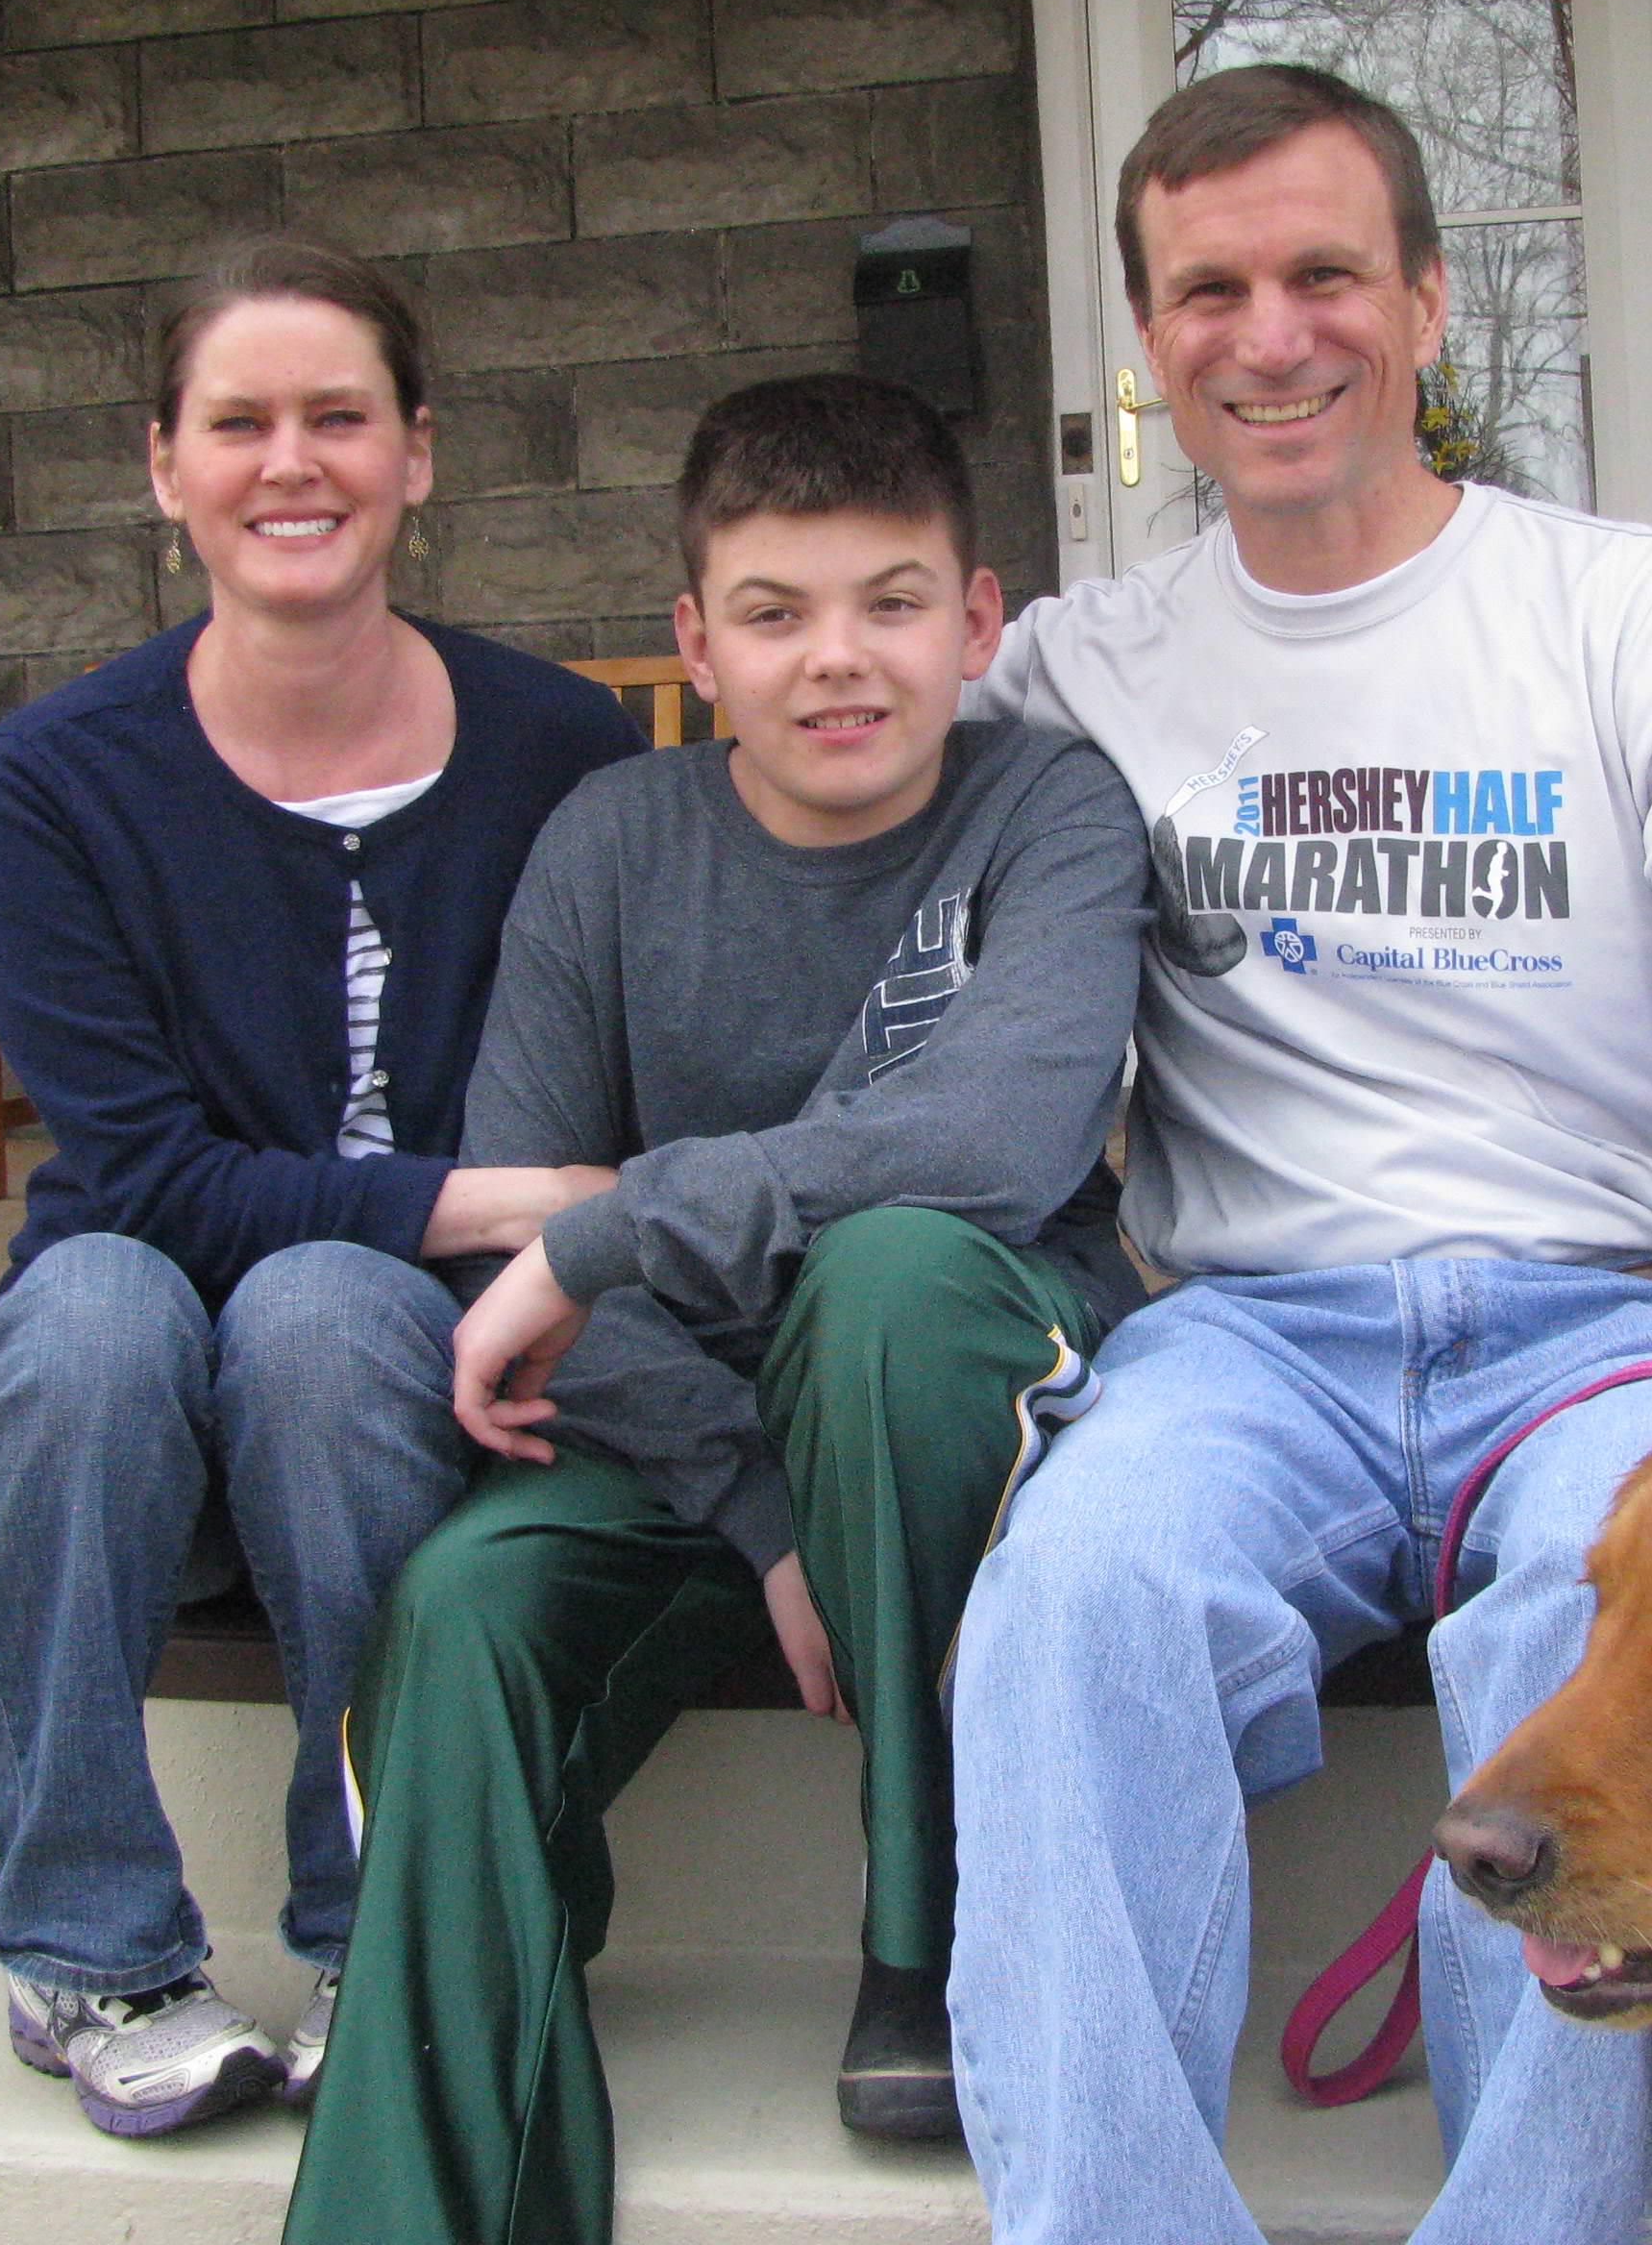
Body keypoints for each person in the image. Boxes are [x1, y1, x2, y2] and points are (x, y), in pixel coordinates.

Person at [943, 64, 1652, 2245]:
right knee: (1071, 1603)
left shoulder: (1635, 618)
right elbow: (831, 841)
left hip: (1615, 1322)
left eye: (1325, 272)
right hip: (1248, 1340)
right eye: (1209, 289)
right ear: (1151, 343)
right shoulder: (1067, 672)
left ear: (1424, 301)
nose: (1271, 333)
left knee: (1577, 1664)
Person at [280, 372, 1152, 2243]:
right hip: (694, 1422)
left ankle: (929, 1933)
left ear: (979, 620)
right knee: (459, 1605)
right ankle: (432, 2199)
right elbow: (510, 1205)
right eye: (773, 614)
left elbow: (999, 1141)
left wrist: (617, 1235)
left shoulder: (1048, 807)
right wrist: (763, 1518)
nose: (838, 663)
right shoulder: (609, 844)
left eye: (893, 603)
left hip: (974, 1390)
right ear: (696, 641)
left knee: (894, 1268)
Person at [0, 237, 642, 2140]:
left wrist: (507, 1234)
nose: (290, 461)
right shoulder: (54, 782)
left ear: (417, 452)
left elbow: (629, 1081)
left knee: (327, 1314)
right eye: (236, 422)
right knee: (80, 1319)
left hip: (396, 1400)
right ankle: (84, 1952)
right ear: (165, 467)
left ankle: (380, 1924)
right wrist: (508, 1199)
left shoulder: (563, 747)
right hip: (133, 1399)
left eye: (339, 415)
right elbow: (145, 1179)